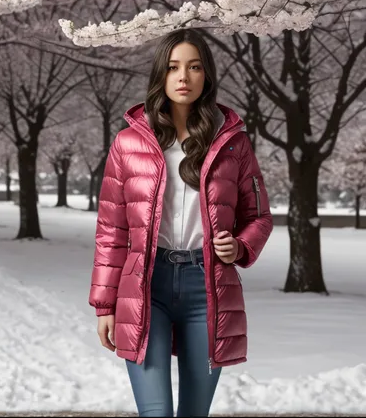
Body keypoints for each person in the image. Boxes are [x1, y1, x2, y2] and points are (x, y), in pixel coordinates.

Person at [89, 28, 274, 417]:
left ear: (206, 75)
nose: (183, 77)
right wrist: (104, 305)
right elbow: (111, 231)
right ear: (161, 75)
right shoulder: (128, 143)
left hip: (207, 285)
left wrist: (240, 246)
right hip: (144, 285)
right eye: (173, 67)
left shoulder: (232, 143)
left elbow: (259, 217)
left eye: (194, 67)